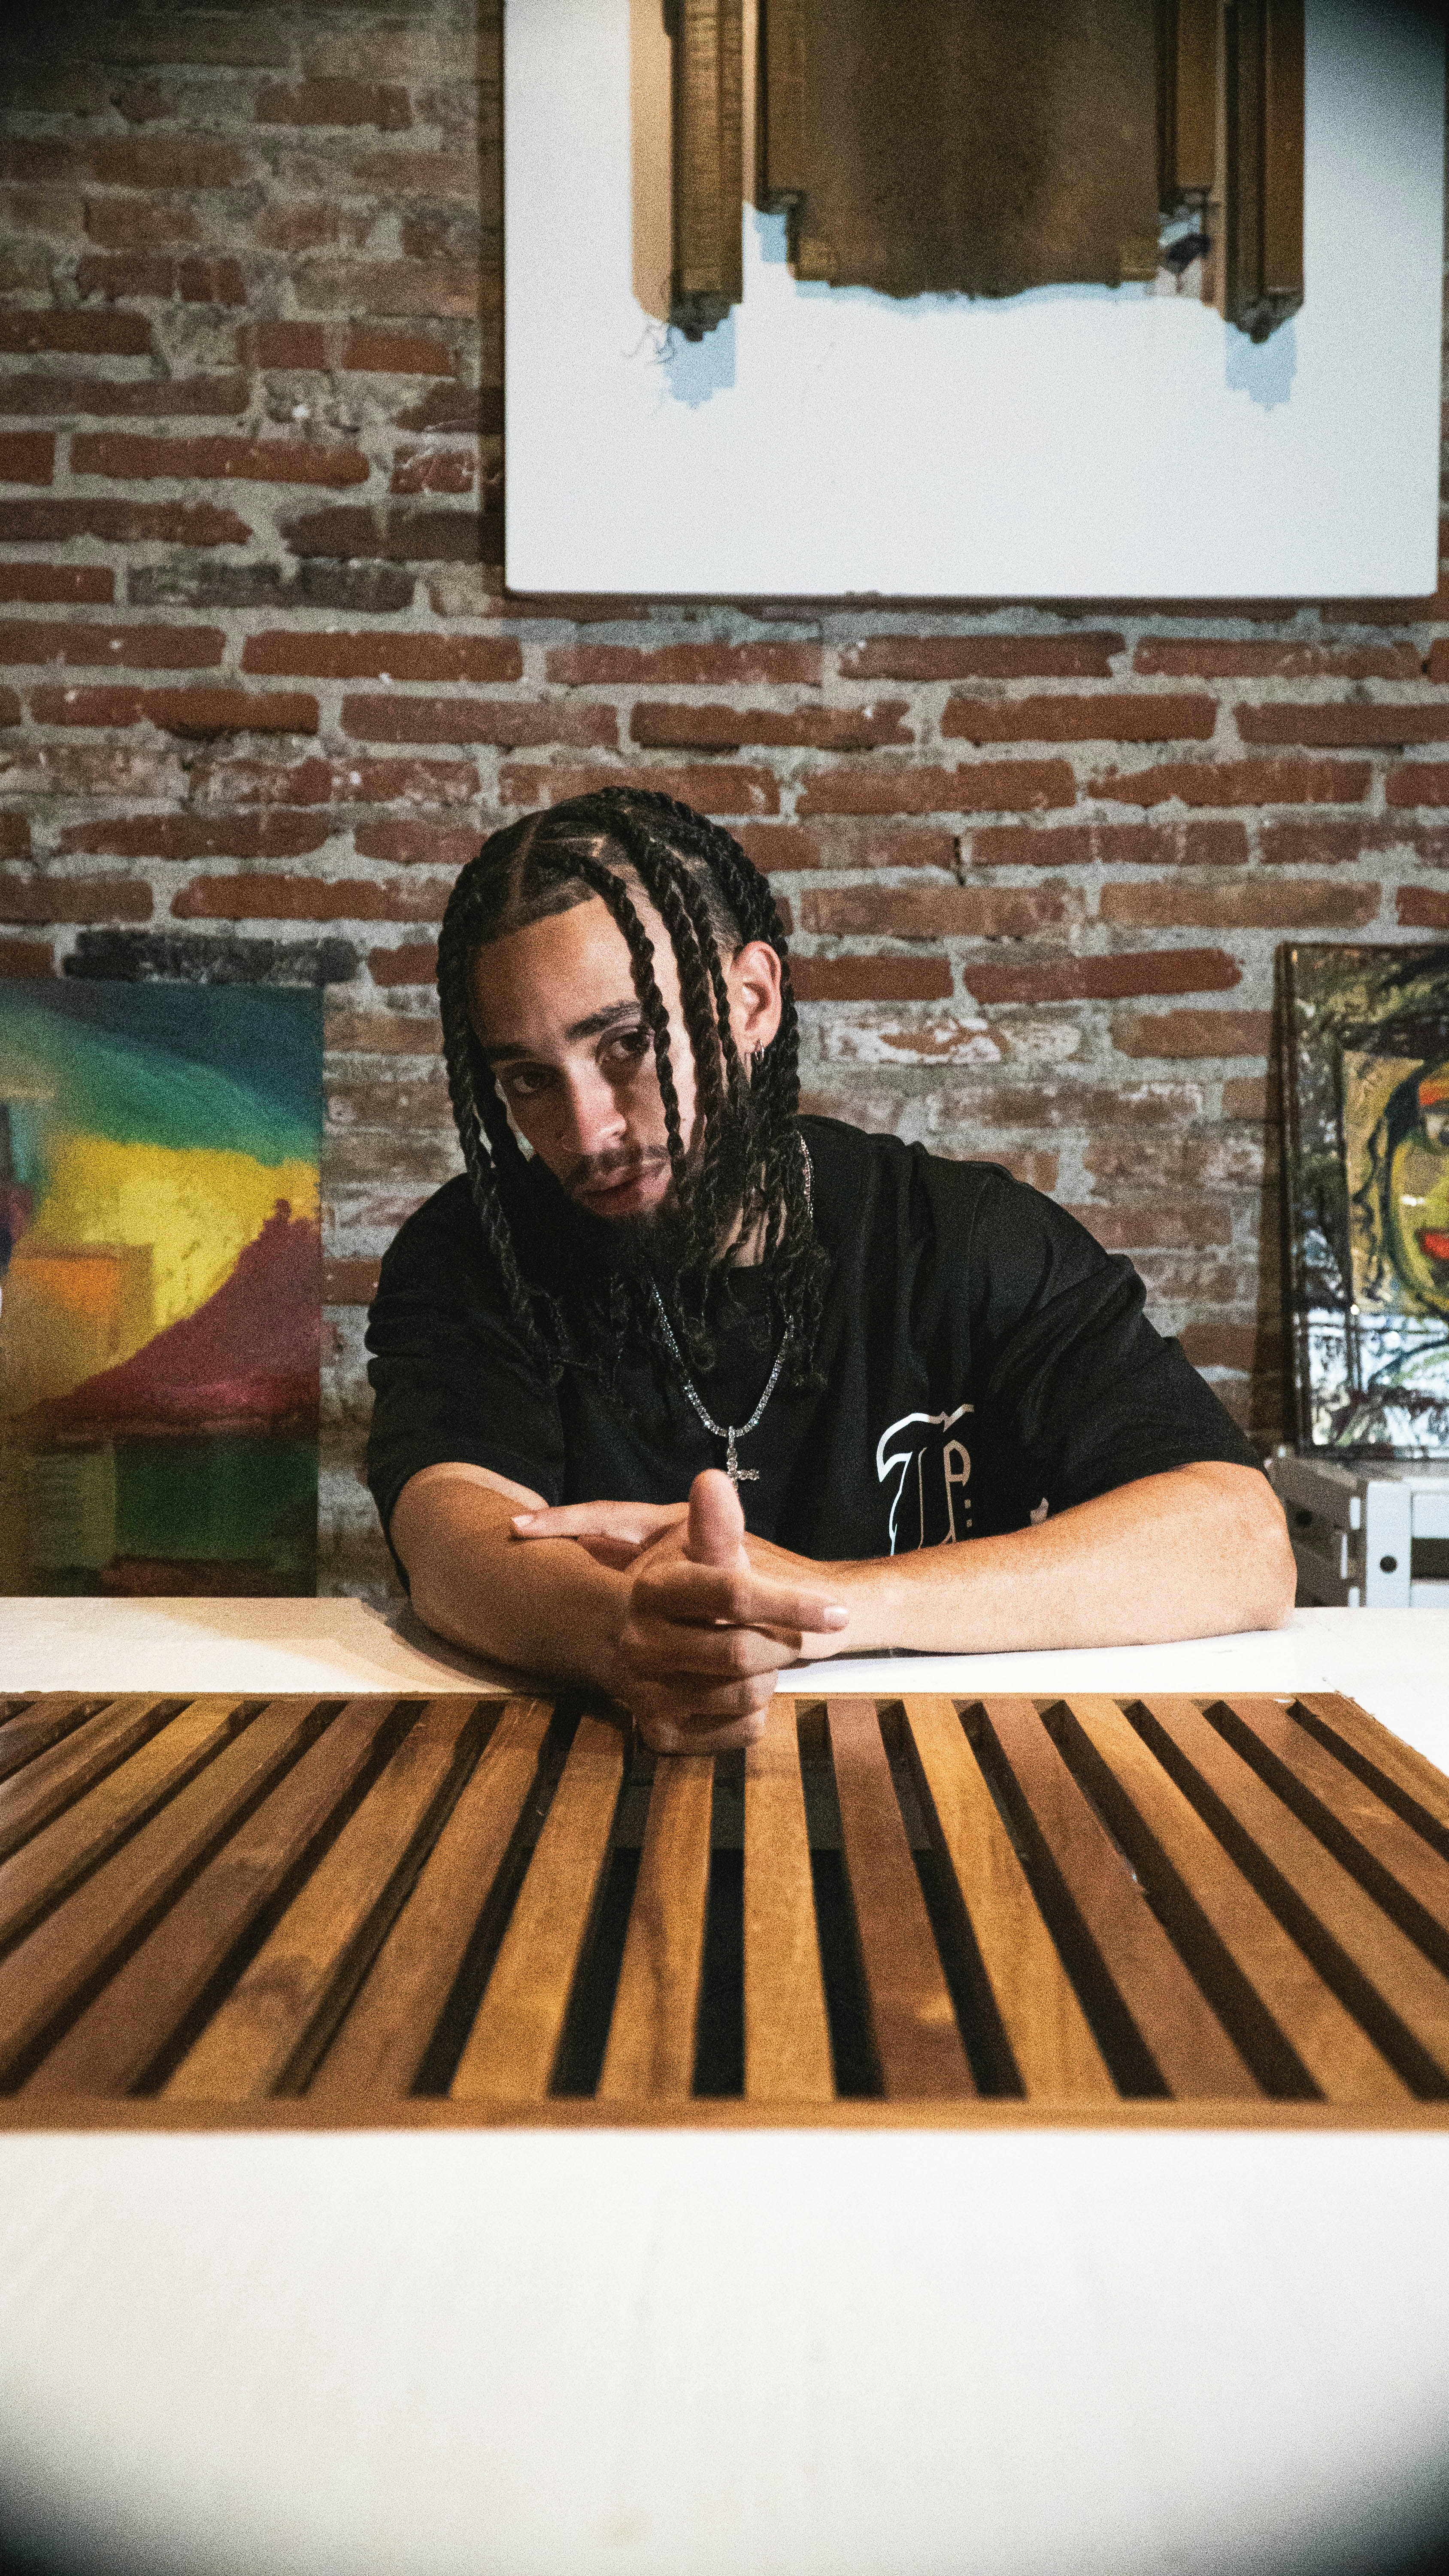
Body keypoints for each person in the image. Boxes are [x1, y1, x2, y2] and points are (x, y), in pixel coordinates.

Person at [366, 787, 1295, 1751]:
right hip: (587, 1798)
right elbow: (451, 1536)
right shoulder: (479, 1247)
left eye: (628, 1045)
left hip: (933, 1804)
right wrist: (629, 1636)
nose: (586, 1128)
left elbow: (1239, 1540)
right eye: (527, 1080)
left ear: (751, 1001)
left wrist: (818, 1604)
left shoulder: (957, 1237)